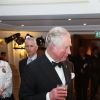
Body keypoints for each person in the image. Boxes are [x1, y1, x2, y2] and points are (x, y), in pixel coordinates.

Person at [19, 27, 74, 100]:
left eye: (69, 47)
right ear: (53, 46)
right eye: (66, 47)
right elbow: (24, 98)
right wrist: (48, 96)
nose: (69, 52)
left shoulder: (69, 65)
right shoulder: (31, 68)